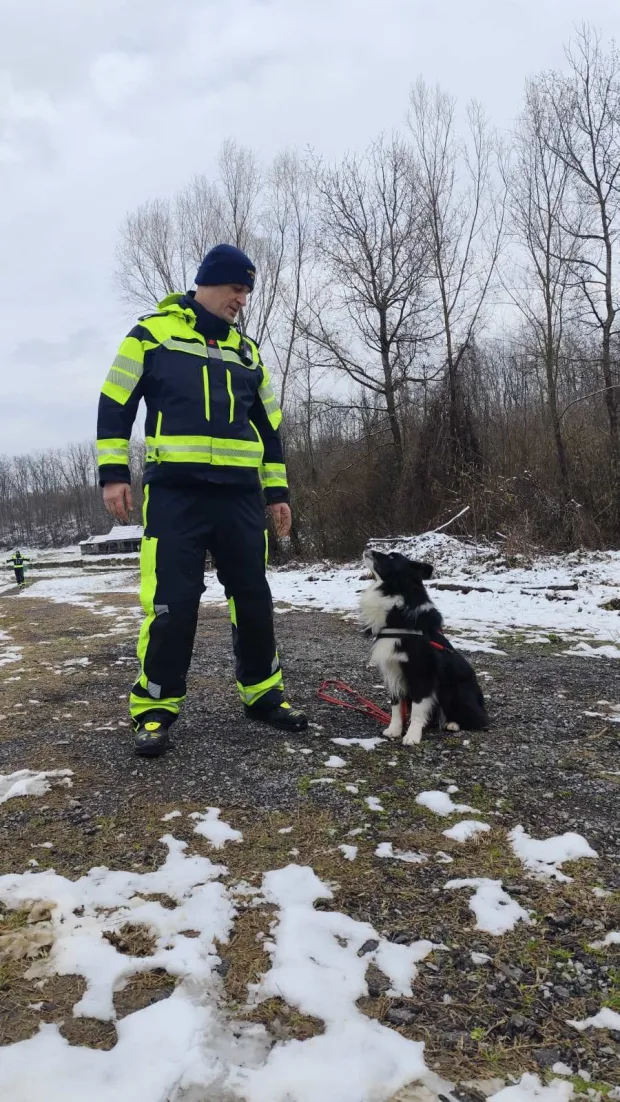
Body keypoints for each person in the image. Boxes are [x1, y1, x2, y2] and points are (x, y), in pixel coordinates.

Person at [97, 243, 308, 757]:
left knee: (254, 599)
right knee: (172, 605)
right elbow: (114, 403)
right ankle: (154, 709)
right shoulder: (151, 334)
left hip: (238, 497)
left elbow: (271, 429)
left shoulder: (248, 352)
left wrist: (277, 492)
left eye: (247, 291)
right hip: (176, 496)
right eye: (237, 288)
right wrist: (113, 474)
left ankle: (263, 696)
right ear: (209, 282)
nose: (242, 299)